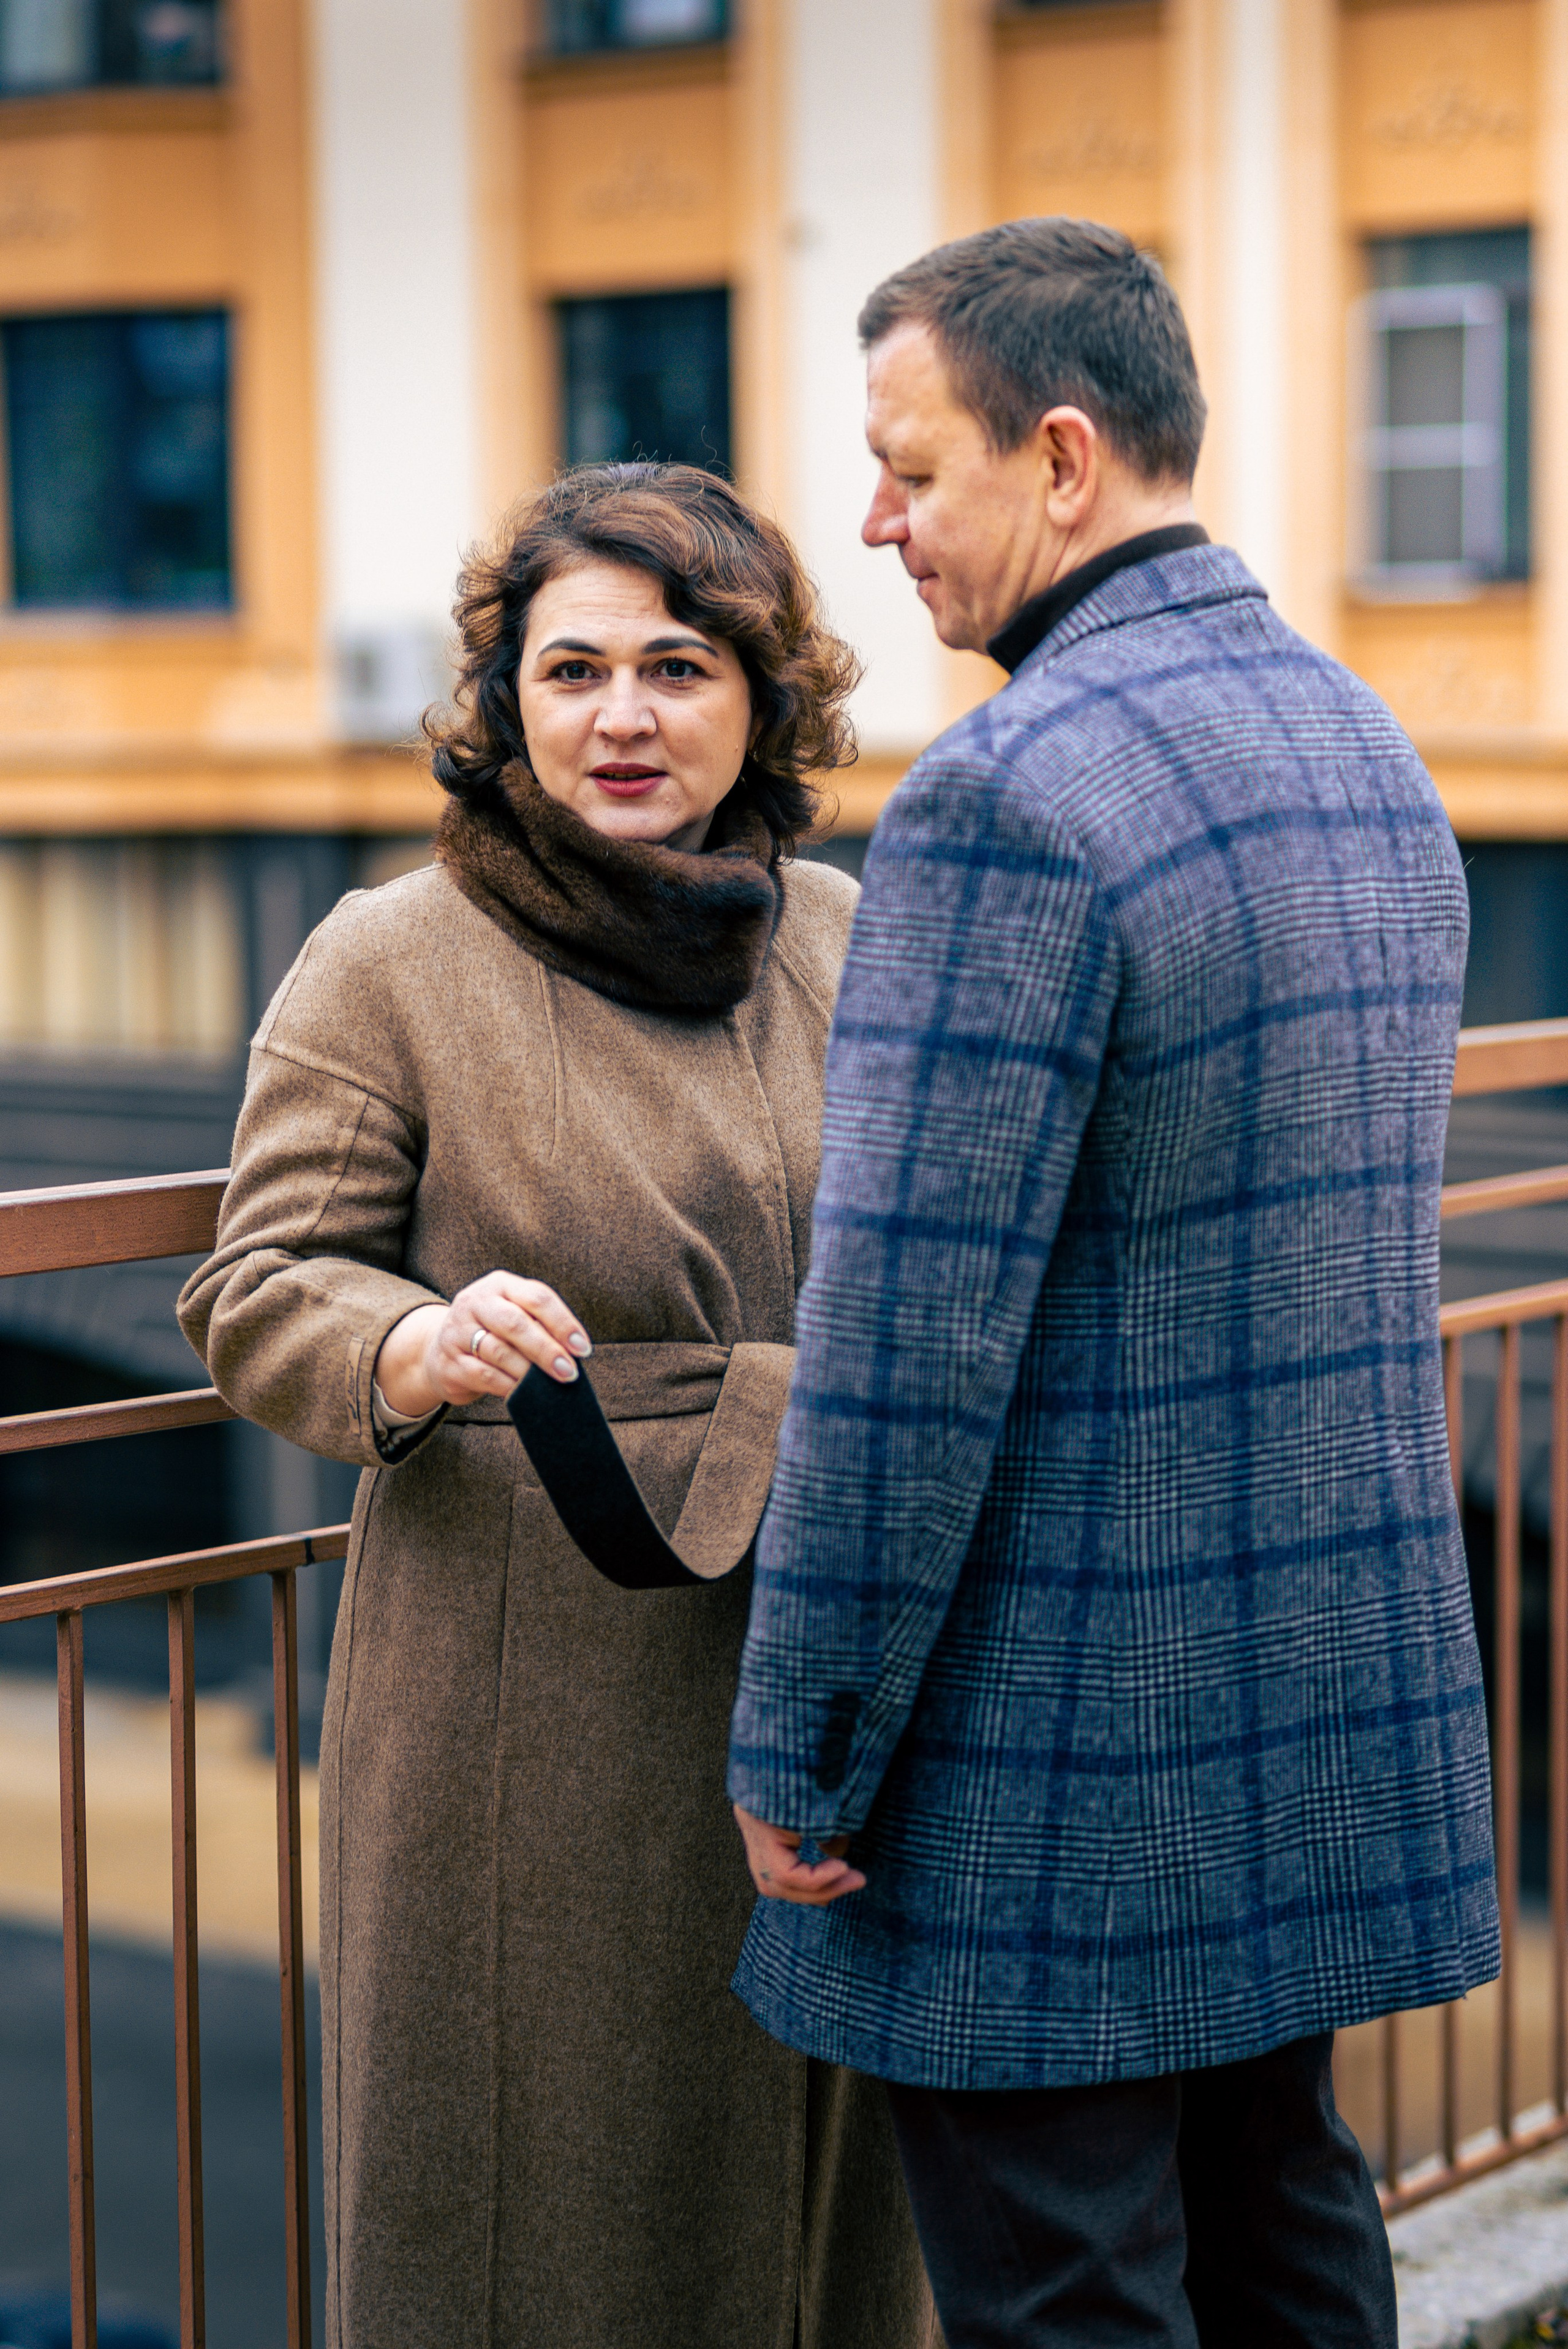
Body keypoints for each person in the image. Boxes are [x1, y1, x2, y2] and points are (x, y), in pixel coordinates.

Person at [726, 218, 1498, 2348]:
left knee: (1073, 2297)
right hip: (1308, 1684)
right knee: (1287, 2226)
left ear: (1062, 459)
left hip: (1051, 1759)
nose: (873, 523)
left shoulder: (1001, 800)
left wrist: (804, 1744)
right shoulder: (1360, 741)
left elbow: (903, 1346)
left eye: (910, 470)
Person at [179, 464, 937, 2349]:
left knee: (827, 2218)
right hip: (533, 1716)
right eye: (572, 669)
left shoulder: (843, 935)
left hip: (819, 1670)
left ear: (762, 692)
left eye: (677, 666)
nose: (621, 717)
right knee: (545, 2218)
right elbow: (259, 1281)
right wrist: (412, 1343)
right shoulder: (392, 954)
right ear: (505, 697)